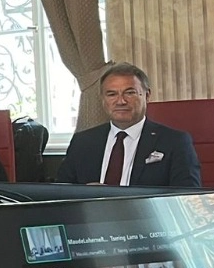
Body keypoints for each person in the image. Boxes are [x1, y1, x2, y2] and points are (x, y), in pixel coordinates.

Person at [57, 63, 201, 187]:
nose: (121, 101)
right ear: (103, 99)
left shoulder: (175, 142)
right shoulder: (82, 142)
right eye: (112, 94)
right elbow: (61, 194)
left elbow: (188, 197)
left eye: (130, 93)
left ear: (147, 96)